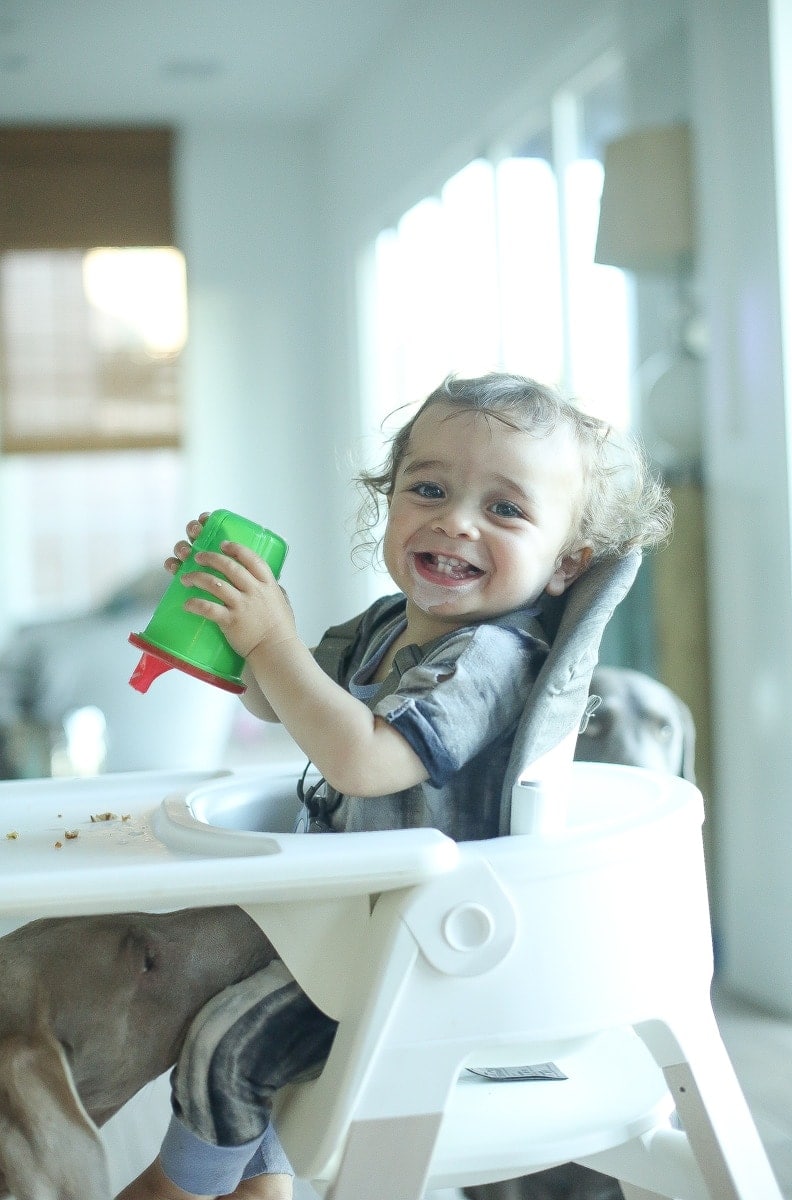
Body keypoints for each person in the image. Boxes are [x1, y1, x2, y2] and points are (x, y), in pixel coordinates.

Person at [117, 372, 672, 1200]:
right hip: (369, 926)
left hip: (431, 957)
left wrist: (273, 640)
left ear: (566, 565)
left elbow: (364, 760)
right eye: (430, 488)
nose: (455, 520)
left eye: (505, 509)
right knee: (216, 986)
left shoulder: (489, 660)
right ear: (391, 501)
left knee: (230, 1040)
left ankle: (183, 1186)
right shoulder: (385, 625)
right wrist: (241, 623)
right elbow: (286, 699)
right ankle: (256, 1186)